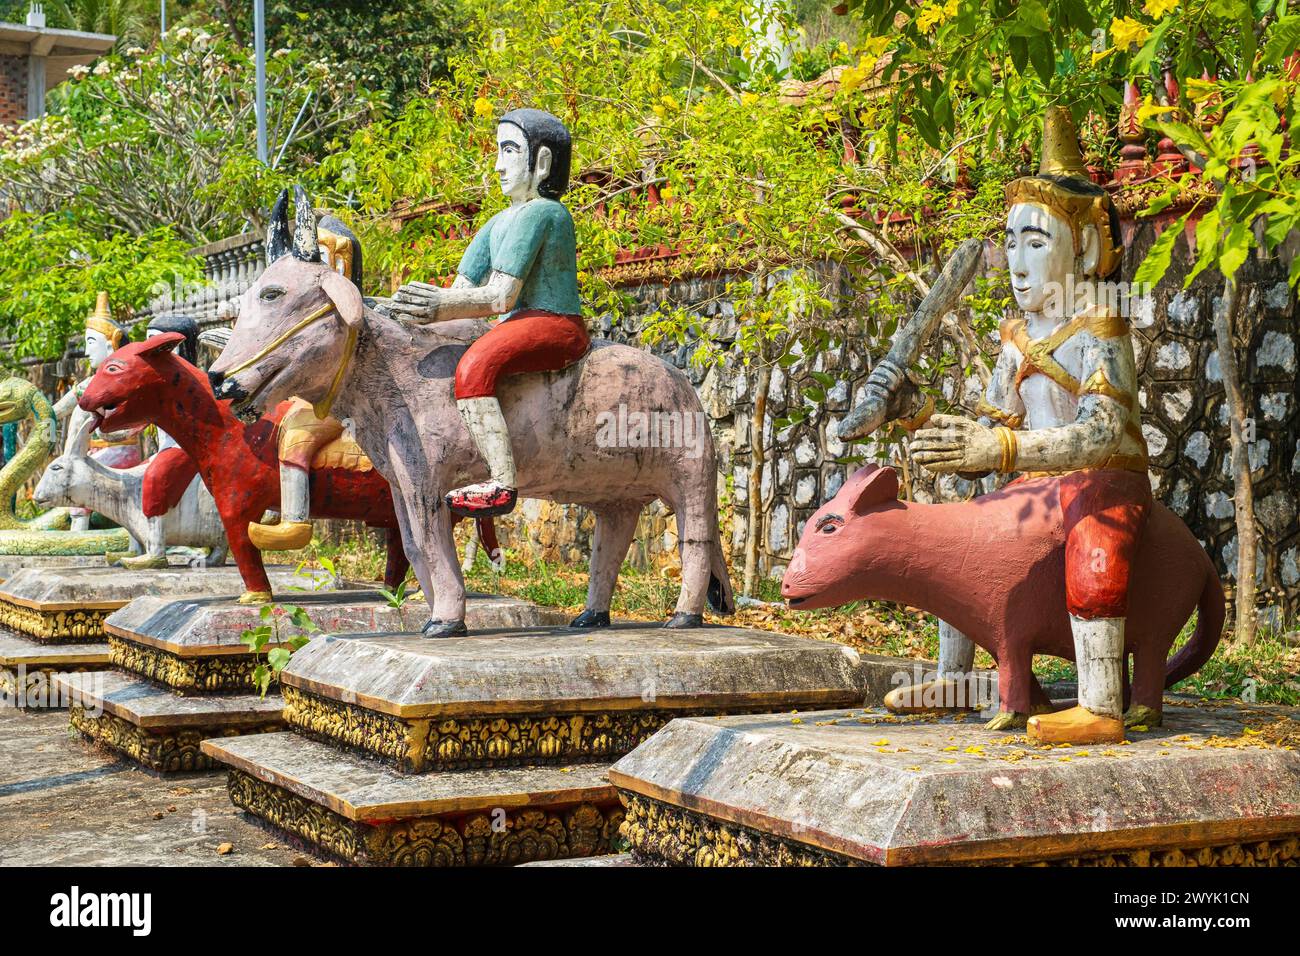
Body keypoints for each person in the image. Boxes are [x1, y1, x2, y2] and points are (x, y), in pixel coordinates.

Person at [907, 107, 1148, 746]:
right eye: (1011, 242)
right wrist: (935, 427)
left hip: (1100, 484)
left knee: (1093, 515)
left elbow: (1101, 435)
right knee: (958, 522)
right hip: (1033, 488)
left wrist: (1005, 445)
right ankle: (954, 674)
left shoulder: (1101, 327)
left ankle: (1101, 703)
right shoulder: (1016, 337)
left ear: (1087, 246)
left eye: (1036, 242)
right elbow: (994, 421)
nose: (1017, 260)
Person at [381, 108, 588, 518]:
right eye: (498, 151)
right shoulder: (496, 223)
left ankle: (501, 482)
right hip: (514, 322)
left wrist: (437, 305)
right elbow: (461, 292)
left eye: (509, 150)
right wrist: (393, 310)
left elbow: (501, 297)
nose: (497, 165)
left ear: (541, 162)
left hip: (554, 323)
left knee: (474, 366)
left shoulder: (545, 213)